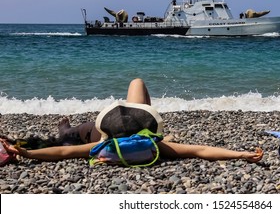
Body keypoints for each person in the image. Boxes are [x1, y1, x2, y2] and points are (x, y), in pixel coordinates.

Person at [0, 78, 263, 164]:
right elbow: (201, 150)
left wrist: (28, 152)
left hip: (87, 132)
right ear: (148, 132)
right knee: (137, 82)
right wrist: (241, 154)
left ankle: (63, 126)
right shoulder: (157, 148)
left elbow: (64, 150)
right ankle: (63, 126)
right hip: (102, 132)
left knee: (67, 134)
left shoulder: (102, 143)